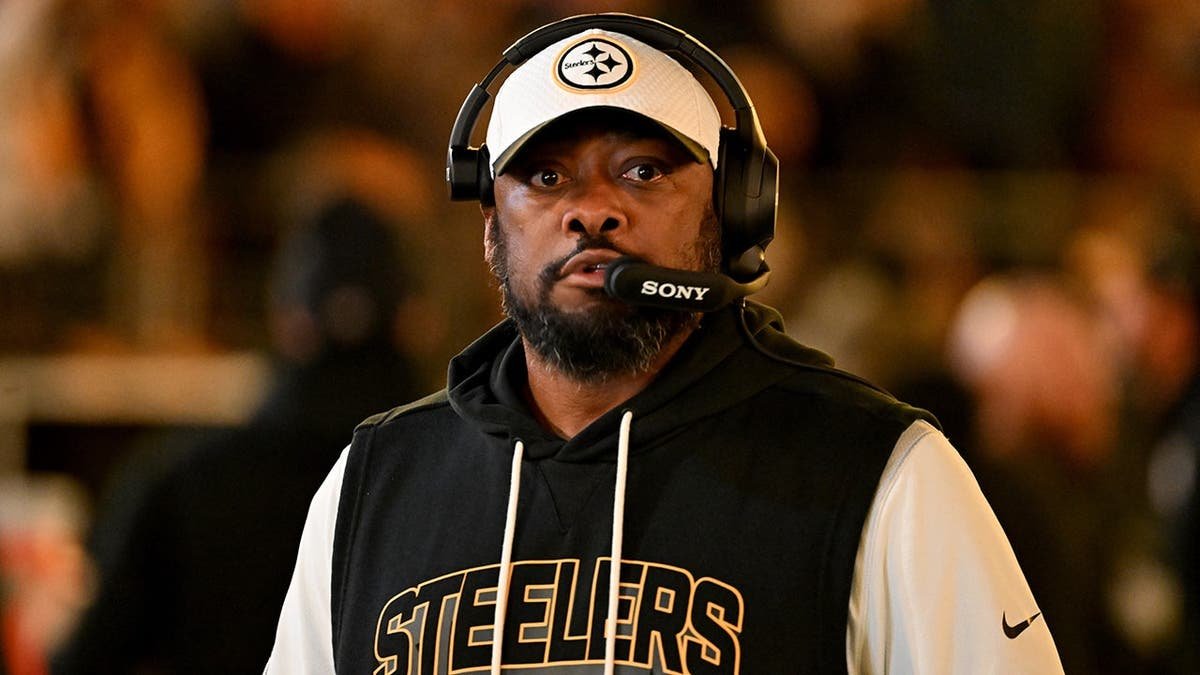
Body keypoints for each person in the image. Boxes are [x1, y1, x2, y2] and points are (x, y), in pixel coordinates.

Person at [266, 14, 1063, 674]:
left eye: (642, 171)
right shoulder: (374, 480)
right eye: (546, 177)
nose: (590, 210)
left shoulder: (882, 471)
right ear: (489, 226)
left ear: (734, 212)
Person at [51, 196, 423, 674]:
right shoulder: (465, 482)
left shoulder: (181, 480)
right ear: (413, 322)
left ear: (288, 321)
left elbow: (88, 658)